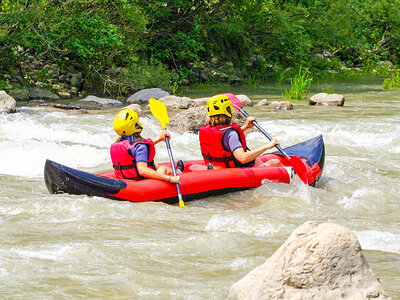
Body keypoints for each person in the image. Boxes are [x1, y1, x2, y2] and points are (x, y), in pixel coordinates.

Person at [199, 94, 281, 169]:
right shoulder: (231, 133)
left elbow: (223, 140)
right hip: (233, 171)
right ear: (228, 111)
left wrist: (245, 127)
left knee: (256, 159)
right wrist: (267, 146)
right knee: (276, 162)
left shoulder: (208, 129)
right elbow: (242, 158)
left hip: (216, 167)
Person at [111, 109, 183, 183]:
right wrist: (169, 179)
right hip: (141, 180)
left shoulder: (118, 144)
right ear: (135, 125)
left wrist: (159, 138)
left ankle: (177, 171)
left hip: (125, 177)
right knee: (164, 169)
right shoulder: (140, 146)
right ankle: (179, 173)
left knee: (154, 164)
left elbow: (135, 149)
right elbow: (142, 171)